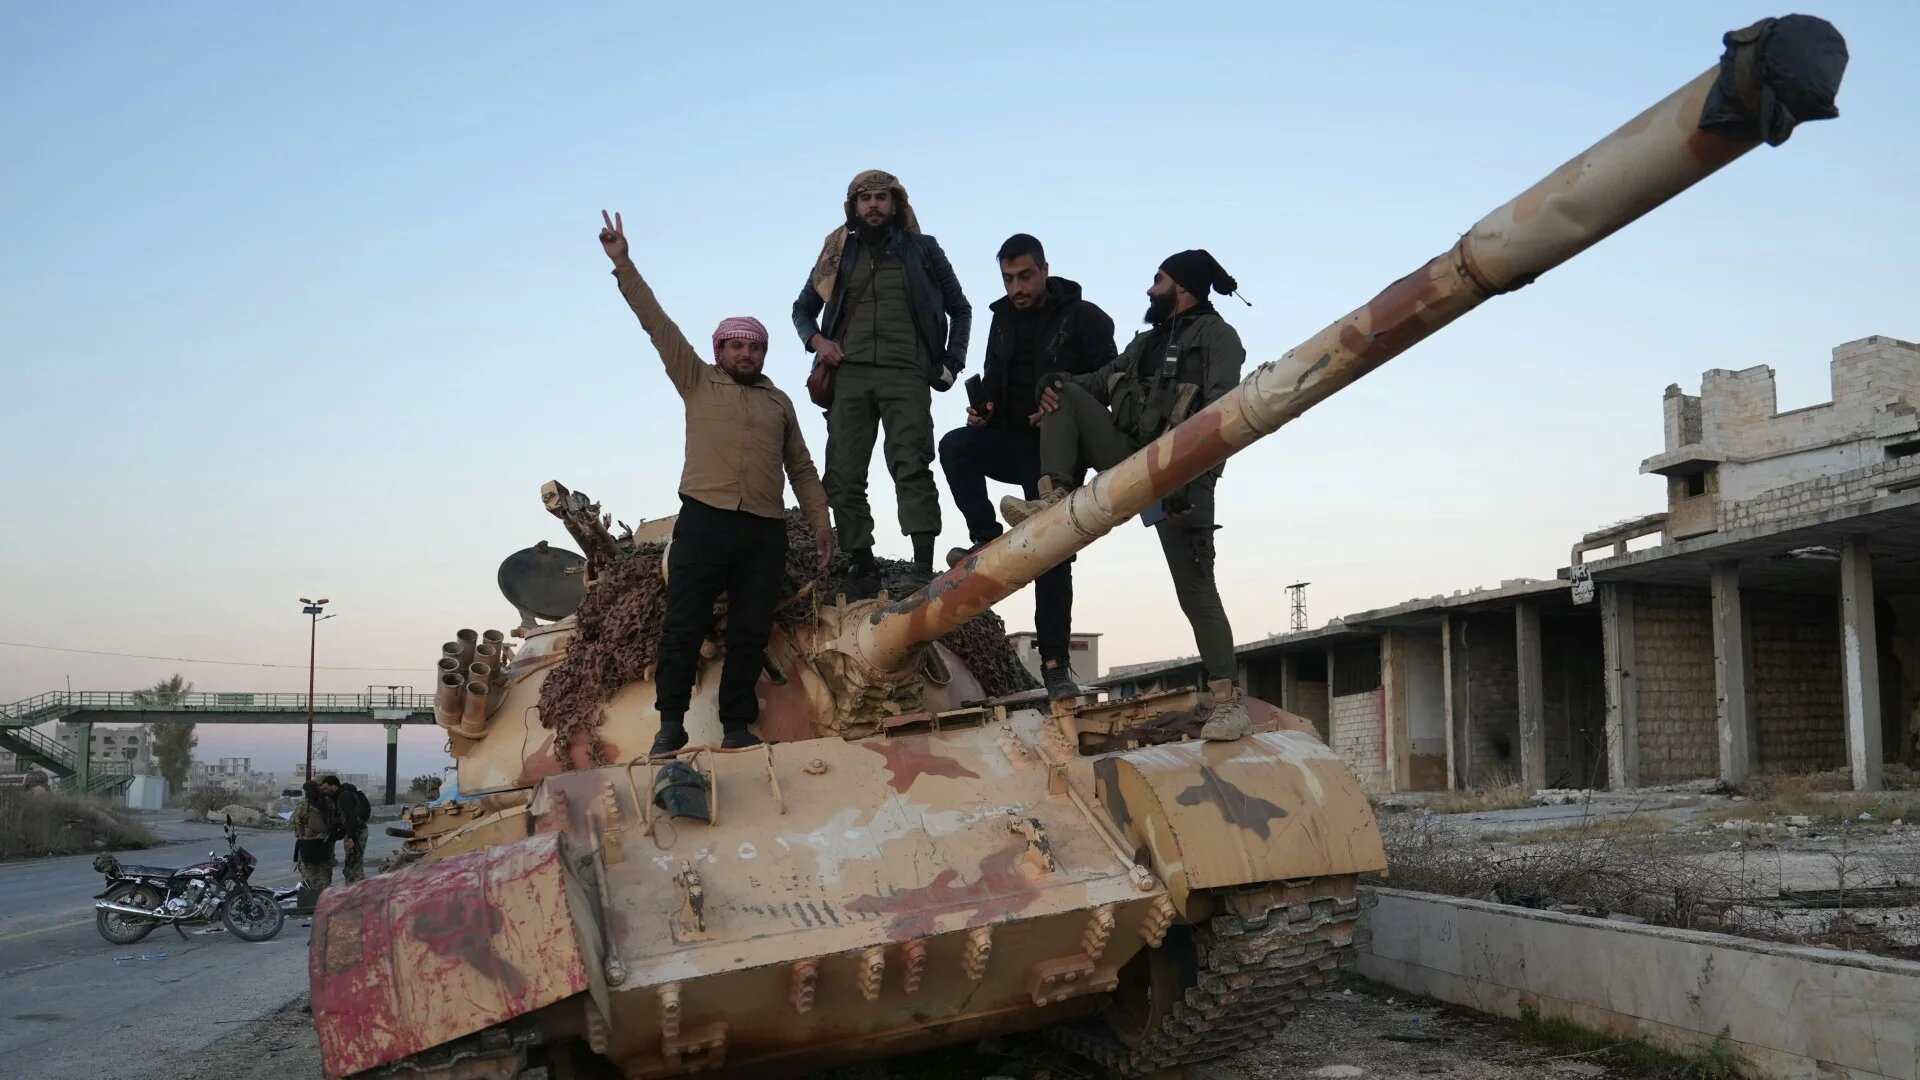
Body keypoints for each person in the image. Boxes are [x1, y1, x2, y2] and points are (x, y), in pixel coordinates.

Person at [600, 210, 835, 755]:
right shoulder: (697, 380)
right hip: (704, 521)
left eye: (753, 347)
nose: (745, 353)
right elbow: (657, 324)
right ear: (719, 352)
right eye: (735, 346)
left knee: (750, 633)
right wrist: (624, 265)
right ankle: (670, 724)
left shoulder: (779, 402)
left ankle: (737, 725)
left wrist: (821, 524)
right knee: (683, 626)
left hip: (763, 531)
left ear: (763, 354)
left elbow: (800, 468)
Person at [1000, 249, 1250, 737]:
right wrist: (1053, 385)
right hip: (1129, 459)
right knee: (1063, 391)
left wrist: (1191, 472)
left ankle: (1228, 700)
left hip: (1182, 472)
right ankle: (1054, 496)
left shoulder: (1219, 338)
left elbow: (1226, 414)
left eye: (1157, 280)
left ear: (1182, 287)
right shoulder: (1146, 343)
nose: (1148, 289)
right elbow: (1093, 383)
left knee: (1195, 589)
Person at [937, 233, 1115, 697]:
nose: (1016, 287)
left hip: (1056, 454)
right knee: (956, 446)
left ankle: (1055, 667)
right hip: (1010, 440)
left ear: (1044, 270)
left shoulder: (1086, 318)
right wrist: (985, 409)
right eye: (1008, 278)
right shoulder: (1000, 321)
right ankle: (985, 537)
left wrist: (1064, 392)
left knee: (1051, 555)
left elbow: (1113, 382)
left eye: (1024, 276)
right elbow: (996, 378)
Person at [792, 170, 971, 585]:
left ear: (895, 205)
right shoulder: (838, 252)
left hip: (906, 371)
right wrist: (818, 341)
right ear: (853, 207)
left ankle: (922, 564)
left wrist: (951, 362)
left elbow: (960, 308)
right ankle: (862, 560)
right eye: (865, 198)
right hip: (848, 375)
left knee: (911, 464)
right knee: (843, 471)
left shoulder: (923, 250)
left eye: (881, 198)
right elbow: (802, 309)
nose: (873, 205)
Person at [291, 779, 337, 906]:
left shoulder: (302, 806)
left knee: (310, 877)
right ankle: (325, 903)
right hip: (324, 844)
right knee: (324, 876)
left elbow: (296, 826)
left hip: (306, 847)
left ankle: (312, 903)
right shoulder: (328, 804)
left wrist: (302, 832)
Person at [319, 775, 371, 883]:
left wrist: (351, 838)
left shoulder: (344, 796)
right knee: (352, 864)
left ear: (333, 785)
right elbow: (341, 819)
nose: (325, 791)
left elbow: (350, 817)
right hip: (353, 832)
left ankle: (356, 890)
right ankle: (354, 888)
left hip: (357, 832)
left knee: (353, 865)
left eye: (326, 788)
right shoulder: (337, 797)